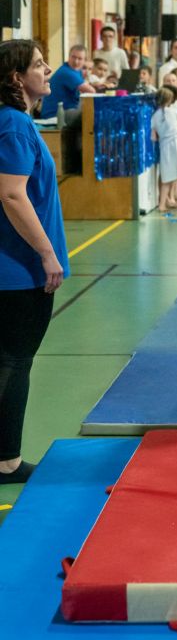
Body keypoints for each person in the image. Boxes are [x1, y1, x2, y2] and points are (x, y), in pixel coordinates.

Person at [0, 40, 69, 485]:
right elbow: (11, 194)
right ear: (15, 79)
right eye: (39, 65)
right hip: (18, 270)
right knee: (14, 361)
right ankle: (6, 460)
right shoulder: (14, 127)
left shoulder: (15, 122)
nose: (48, 71)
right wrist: (47, 254)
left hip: (14, 268)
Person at [150, 88, 177, 211]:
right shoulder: (173, 111)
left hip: (165, 145)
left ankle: (162, 204)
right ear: (170, 100)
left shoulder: (154, 117)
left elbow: (153, 137)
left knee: (167, 176)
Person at [39, 44, 95, 121]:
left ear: (84, 60)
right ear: (68, 57)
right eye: (73, 57)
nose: (76, 61)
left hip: (65, 112)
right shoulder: (66, 72)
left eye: (80, 58)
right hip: (54, 115)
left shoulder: (75, 71)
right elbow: (91, 91)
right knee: (90, 117)